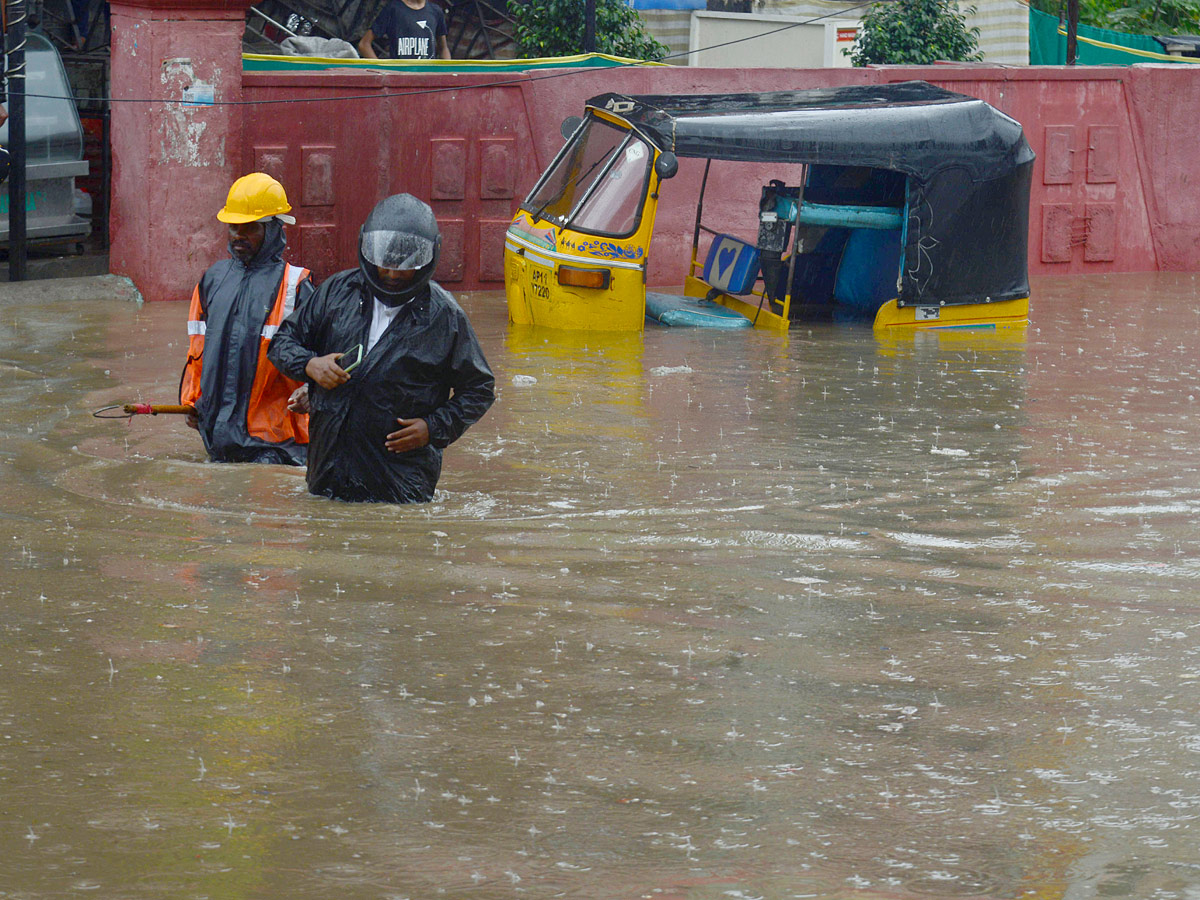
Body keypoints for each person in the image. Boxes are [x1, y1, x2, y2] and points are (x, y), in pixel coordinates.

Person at [267, 194, 494, 503]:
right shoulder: (336, 292)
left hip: (399, 485)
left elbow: (480, 389)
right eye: (385, 264)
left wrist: (432, 428)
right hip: (327, 475)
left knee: (390, 531)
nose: (393, 275)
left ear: (427, 259)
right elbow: (282, 343)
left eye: (405, 266)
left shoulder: (444, 317)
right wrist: (310, 365)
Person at [179, 172, 314, 466]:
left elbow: (326, 359)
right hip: (219, 437)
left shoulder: (296, 285)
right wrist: (191, 401)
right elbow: (197, 350)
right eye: (233, 226)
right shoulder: (212, 280)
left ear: (274, 228)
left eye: (250, 227)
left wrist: (312, 391)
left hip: (278, 444)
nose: (238, 235)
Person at [357, 0, 451, 60]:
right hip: (400, 77)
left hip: (427, 78)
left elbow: (443, 48)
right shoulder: (393, 9)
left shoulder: (436, 11)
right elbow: (364, 45)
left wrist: (448, 73)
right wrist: (383, 70)